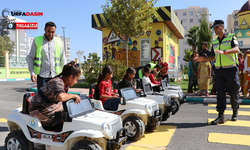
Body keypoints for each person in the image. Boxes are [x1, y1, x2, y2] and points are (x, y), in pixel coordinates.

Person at [194, 20, 240, 125]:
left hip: (231, 69)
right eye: (213, 28)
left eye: (216, 27)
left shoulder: (231, 37)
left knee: (233, 92)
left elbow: (237, 49)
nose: (214, 30)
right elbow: (213, 57)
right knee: (220, 93)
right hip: (219, 70)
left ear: (222, 27)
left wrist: (224, 52)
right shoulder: (214, 42)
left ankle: (235, 111)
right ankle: (221, 116)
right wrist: (202, 59)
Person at [29, 61, 81, 132]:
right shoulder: (57, 82)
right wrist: (74, 95)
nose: (76, 82)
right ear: (70, 77)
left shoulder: (63, 84)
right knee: (67, 124)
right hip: (39, 110)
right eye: (76, 80)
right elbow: (61, 97)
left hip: (47, 108)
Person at [27, 22, 66, 91]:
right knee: (42, 99)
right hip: (42, 77)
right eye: (49, 31)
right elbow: (30, 57)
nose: (50, 34)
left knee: (55, 99)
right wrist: (32, 73)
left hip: (56, 76)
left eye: (53, 32)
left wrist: (65, 74)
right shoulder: (37, 40)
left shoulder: (59, 42)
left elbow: (63, 59)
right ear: (45, 29)